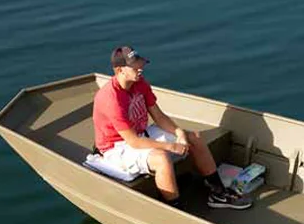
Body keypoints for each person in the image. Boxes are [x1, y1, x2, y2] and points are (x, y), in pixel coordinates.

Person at [92, 45, 251, 209]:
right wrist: (170, 146)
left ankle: (218, 193)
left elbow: (159, 117)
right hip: (118, 146)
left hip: (141, 134)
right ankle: (173, 208)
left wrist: (179, 133)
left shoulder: (139, 83)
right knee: (161, 158)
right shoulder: (111, 98)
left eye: (140, 63)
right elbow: (133, 142)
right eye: (134, 66)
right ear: (119, 70)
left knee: (194, 138)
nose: (140, 68)